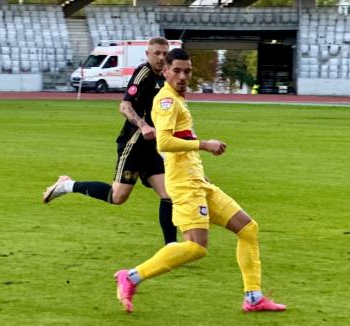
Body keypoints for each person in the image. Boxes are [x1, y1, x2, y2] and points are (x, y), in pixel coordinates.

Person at [114, 48, 286, 313]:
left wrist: (199, 169)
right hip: (184, 186)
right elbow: (165, 141)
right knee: (196, 247)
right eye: (177, 71)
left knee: (248, 229)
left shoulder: (178, 100)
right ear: (165, 71)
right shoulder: (166, 102)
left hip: (198, 181)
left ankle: (253, 297)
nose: (183, 76)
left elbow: (180, 141)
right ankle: (131, 276)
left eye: (187, 71)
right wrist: (205, 144)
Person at [42, 37, 177, 245]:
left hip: (152, 146)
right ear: (148, 54)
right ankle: (67, 185)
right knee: (117, 197)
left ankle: (171, 247)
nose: (160, 57)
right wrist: (143, 126)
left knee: (169, 195)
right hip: (134, 144)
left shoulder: (166, 79)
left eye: (164, 53)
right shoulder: (143, 73)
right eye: (156, 53)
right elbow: (124, 106)